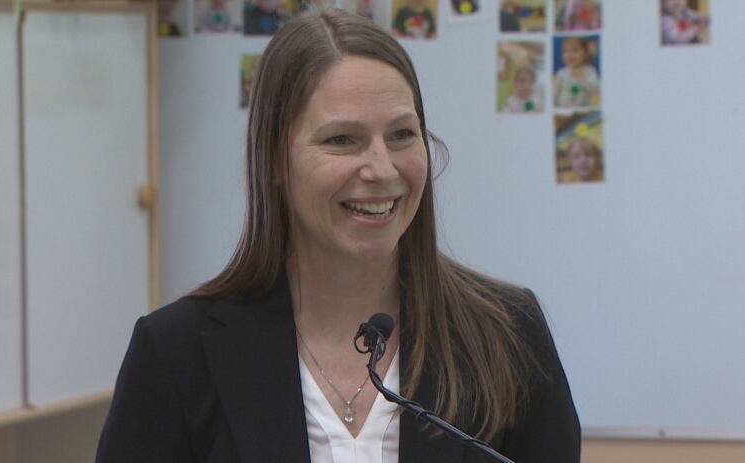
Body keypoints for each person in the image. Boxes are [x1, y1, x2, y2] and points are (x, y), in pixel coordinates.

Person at [96, 8, 580, 463]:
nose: (382, 168)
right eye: (341, 140)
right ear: (274, 162)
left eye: (402, 135)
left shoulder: (509, 335)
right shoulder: (176, 353)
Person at [553, 36, 600, 108]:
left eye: (575, 50)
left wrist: (582, 79)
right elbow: (555, 91)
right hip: (563, 105)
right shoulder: (561, 72)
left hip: (582, 106)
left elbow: (595, 87)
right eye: (565, 51)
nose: (569, 54)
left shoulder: (589, 71)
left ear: (585, 54)